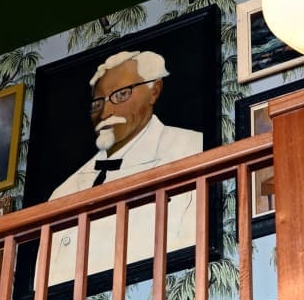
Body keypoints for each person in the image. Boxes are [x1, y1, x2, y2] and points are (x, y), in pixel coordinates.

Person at [46, 50, 203, 280]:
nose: (105, 112)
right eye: (97, 103)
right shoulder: (64, 192)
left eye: (121, 95)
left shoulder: (192, 149)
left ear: (154, 91)